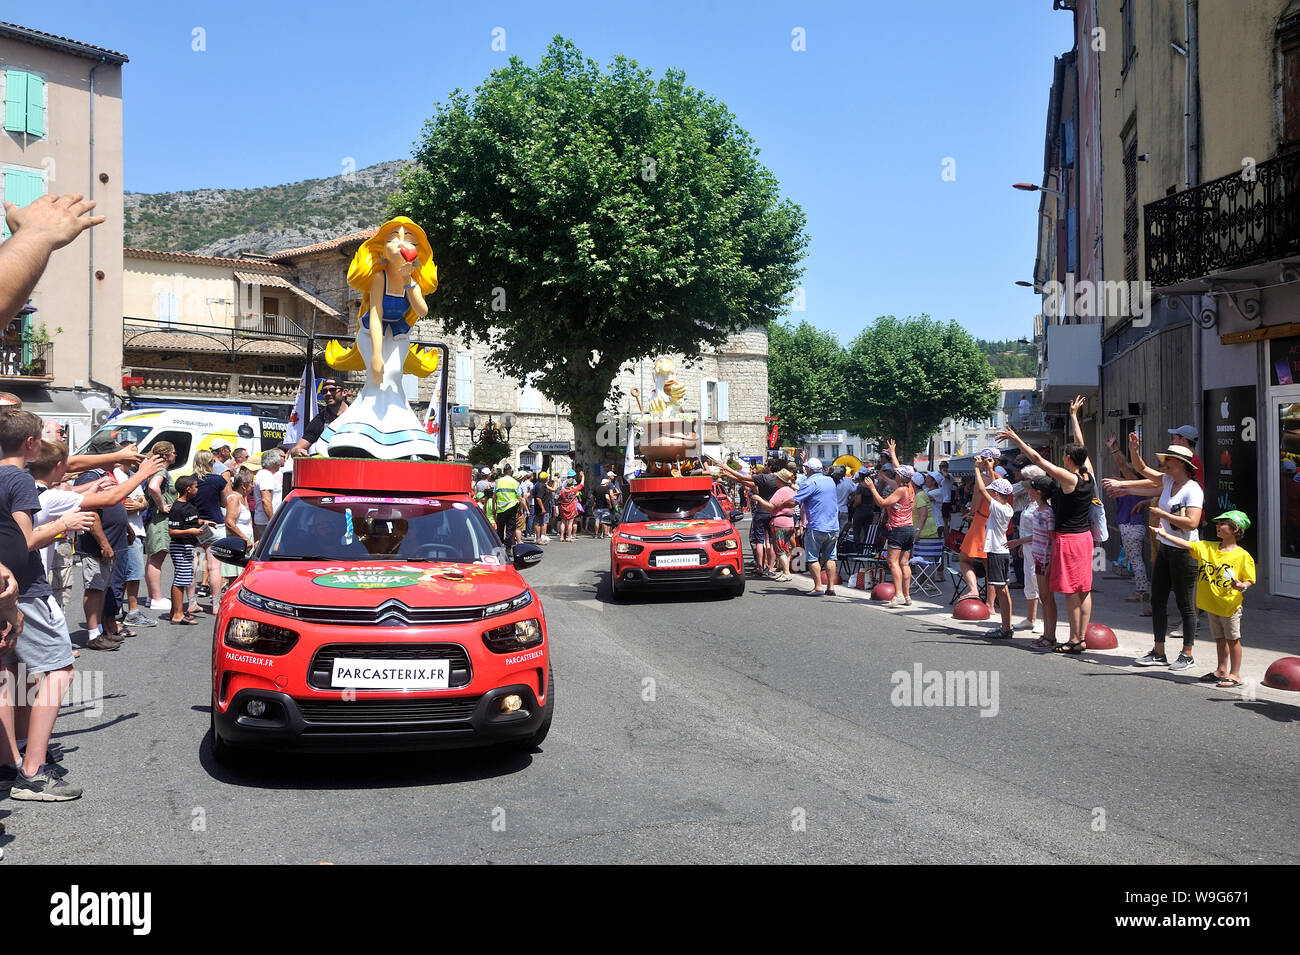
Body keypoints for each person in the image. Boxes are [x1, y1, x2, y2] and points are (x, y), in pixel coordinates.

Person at [0, 409, 90, 799]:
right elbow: (24, 544)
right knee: (59, 671)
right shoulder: (19, 478)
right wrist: (61, 526)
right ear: (31, 443)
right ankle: (33, 772)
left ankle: (9, 764)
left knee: (12, 676)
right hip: (26, 590)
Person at [998, 395, 1097, 653]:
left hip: (1069, 539)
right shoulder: (1088, 473)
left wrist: (1016, 438)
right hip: (1085, 537)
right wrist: (1074, 416)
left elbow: (1038, 460)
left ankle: (1075, 639)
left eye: (1064, 455)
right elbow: (1081, 444)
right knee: (1084, 590)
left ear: (1067, 459)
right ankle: (1080, 637)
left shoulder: (1068, 479)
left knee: (1072, 592)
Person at [1104, 434, 1204, 670]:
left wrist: (1162, 514)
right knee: (1158, 600)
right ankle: (1159, 652)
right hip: (1166, 548)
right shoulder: (1168, 481)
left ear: (1180, 464)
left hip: (1185, 551)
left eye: (1168, 460)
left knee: (1185, 604)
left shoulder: (1193, 490)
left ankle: (1187, 654)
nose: (1164, 463)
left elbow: (1192, 523)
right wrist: (1133, 449)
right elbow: (1141, 469)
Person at [1154, 510, 1255, 688]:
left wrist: (1242, 586)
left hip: (1229, 606)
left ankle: (1235, 674)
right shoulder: (1208, 547)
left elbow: (1249, 580)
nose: (1217, 526)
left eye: (1222, 523)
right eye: (1217, 523)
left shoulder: (1243, 556)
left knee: (1233, 640)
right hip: (1212, 605)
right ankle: (1221, 670)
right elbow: (1187, 544)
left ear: (1235, 528)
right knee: (1220, 639)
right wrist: (1165, 535)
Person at [863, 444, 915, 607]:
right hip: (908, 528)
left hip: (897, 529)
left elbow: (882, 503)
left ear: (900, 477)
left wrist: (872, 488)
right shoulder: (910, 487)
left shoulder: (900, 491)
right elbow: (901, 469)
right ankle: (907, 595)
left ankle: (898, 594)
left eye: (896, 474)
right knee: (904, 563)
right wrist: (893, 453)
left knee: (892, 562)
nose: (895, 474)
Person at [1104, 434, 1152, 606]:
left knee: (1136, 560)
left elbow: (1123, 466)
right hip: (1134, 526)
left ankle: (1141, 590)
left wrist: (1114, 448)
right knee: (1135, 559)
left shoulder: (1134, 486)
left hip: (1132, 526)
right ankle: (1142, 589)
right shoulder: (1133, 487)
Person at [973, 458, 1016, 639]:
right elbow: (989, 488)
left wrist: (976, 469)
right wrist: (990, 470)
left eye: (994, 492)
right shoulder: (1007, 508)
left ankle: (1006, 627)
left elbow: (982, 490)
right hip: (1002, 551)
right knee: (1003, 590)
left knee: (1001, 590)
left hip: (997, 552)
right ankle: (1007, 625)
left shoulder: (998, 507)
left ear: (997, 495)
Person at [794, 458, 841, 596]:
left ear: (809, 469)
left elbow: (795, 501)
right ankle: (831, 587)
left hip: (817, 525)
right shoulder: (829, 480)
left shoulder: (809, 482)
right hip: (833, 526)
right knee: (830, 557)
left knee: (812, 557)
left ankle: (818, 586)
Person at [191, 450, 229, 613]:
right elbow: (225, 502)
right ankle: (215, 604)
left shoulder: (188, 480)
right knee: (214, 567)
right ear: (210, 463)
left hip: (195, 524)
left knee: (193, 565)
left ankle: (191, 601)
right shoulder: (218, 480)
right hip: (215, 524)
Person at [143, 440, 178, 612]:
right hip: (160, 519)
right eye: (173, 452)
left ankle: (152, 597)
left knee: (152, 558)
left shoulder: (156, 469)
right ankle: (156, 598)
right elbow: (153, 487)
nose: (175, 455)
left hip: (155, 518)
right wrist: (162, 506)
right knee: (157, 558)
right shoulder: (161, 470)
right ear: (165, 455)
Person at [165, 476, 204, 625]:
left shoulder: (189, 505)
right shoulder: (177, 508)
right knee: (180, 580)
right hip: (180, 546)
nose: (197, 489)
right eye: (195, 487)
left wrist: (204, 523)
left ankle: (174, 611)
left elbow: (191, 521)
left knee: (183, 578)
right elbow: (172, 531)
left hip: (188, 545)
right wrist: (191, 532)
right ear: (188, 489)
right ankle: (178, 615)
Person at [289, 379, 351, 457]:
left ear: (344, 392)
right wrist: (297, 451)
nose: (328, 393)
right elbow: (296, 449)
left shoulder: (358, 414)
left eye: (332, 390)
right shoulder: (320, 420)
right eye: (324, 391)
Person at [221, 471, 256, 580]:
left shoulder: (242, 498)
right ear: (243, 486)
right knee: (237, 579)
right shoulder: (234, 499)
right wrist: (244, 538)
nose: (253, 486)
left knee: (244, 577)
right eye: (251, 483)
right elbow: (229, 523)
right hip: (238, 542)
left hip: (246, 541)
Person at [253, 449, 286, 541]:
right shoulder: (266, 476)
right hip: (266, 521)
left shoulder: (265, 474)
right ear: (275, 462)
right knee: (273, 547)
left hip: (264, 520)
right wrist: (272, 521)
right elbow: (266, 500)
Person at [1167, 425, 1205, 492]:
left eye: (1174, 439)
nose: (1172, 442)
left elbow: (1165, 482)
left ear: (1183, 440)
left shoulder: (1190, 461)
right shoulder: (1193, 460)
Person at [493, 464, 521, 554]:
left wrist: (493, 508)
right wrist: (520, 509)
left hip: (501, 508)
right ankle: (508, 548)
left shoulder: (498, 481)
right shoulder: (515, 482)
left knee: (500, 528)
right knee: (510, 529)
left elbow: (494, 496)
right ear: (510, 471)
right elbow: (519, 497)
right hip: (512, 508)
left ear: (504, 471)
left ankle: (500, 546)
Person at [532, 471, 553, 544]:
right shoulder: (540, 486)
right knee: (538, 523)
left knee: (541, 523)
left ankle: (539, 538)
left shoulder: (540, 485)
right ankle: (538, 539)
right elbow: (538, 498)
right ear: (544, 478)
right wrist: (543, 508)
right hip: (541, 508)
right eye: (546, 477)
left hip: (542, 507)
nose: (547, 478)